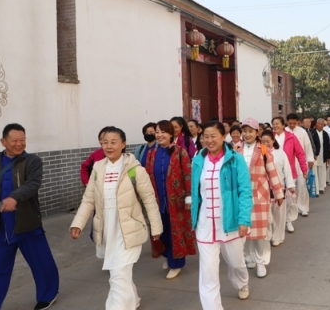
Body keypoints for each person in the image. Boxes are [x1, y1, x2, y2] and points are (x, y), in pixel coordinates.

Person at [70, 127, 163, 310]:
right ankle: (134, 299)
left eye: (113, 142)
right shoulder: (98, 168)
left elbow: (149, 200)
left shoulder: (135, 170)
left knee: (118, 274)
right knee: (120, 272)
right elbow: (89, 199)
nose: (109, 146)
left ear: (123, 144)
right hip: (106, 229)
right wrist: (78, 223)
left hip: (128, 230)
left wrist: (156, 227)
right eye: (105, 142)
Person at [0, 123, 60, 310]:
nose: (19, 144)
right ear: (3, 141)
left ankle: (48, 295)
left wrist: (14, 197)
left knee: (42, 263)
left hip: (27, 221)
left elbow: (33, 185)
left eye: (22, 140)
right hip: (0, 226)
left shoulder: (32, 161)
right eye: (14, 140)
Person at [191, 121, 253, 308]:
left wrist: (244, 220)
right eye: (205, 137)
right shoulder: (198, 159)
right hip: (205, 226)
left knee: (236, 263)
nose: (209, 140)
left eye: (213, 136)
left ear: (223, 137)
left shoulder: (236, 159)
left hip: (230, 223)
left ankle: (242, 282)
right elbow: (195, 191)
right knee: (208, 274)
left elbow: (245, 191)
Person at [145, 120, 196, 279]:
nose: (159, 135)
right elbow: (146, 175)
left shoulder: (180, 152)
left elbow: (188, 175)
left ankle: (176, 264)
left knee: (176, 232)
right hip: (158, 200)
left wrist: (189, 196)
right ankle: (168, 255)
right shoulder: (151, 153)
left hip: (177, 200)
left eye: (163, 132)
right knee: (162, 231)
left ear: (171, 134)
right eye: (157, 132)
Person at [237, 118, 283, 278]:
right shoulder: (236, 149)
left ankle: (262, 261)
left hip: (260, 195)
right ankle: (249, 258)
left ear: (257, 132)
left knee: (261, 232)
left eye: (250, 131)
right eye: (245, 131)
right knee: (244, 230)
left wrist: (278, 193)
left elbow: (272, 172)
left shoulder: (264, 150)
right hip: (241, 197)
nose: (247, 134)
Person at [260, 130, 295, 247]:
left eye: (267, 141)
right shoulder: (258, 153)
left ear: (273, 141)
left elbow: (287, 170)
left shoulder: (280, 153)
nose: (265, 143)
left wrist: (290, 185)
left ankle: (278, 236)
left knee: (278, 214)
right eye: (262, 141)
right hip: (263, 189)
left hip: (279, 188)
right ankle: (268, 234)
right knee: (266, 215)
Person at [274, 116, 307, 229]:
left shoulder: (291, 138)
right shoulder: (270, 138)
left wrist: (304, 169)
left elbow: (300, 154)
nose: (276, 126)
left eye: (278, 123)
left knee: (289, 199)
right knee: (275, 200)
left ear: (283, 125)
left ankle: (289, 220)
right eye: (274, 124)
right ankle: (277, 222)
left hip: (289, 173)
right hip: (274, 173)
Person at [285, 113, 314, 217]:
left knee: (301, 184)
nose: (292, 125)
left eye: (294, 123)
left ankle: (303, 207)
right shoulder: (284, 132)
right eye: (290, 123)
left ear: (297, 122)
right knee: (291, 186)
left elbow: (307, 146)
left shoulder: (302, 132)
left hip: (301, 162)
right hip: (289, 163)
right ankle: (293, 207)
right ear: (287, 122)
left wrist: (310, 159)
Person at [313, 119, 330, 194]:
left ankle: (321, 187)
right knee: (315, 172)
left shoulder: (325, 134)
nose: (320, 126)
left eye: (322, 124)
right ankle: (316, 188)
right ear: (316, 124)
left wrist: (328, 157)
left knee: (322, 172)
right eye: (319, 124)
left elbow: (328, 146)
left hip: (323, 155)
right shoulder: (312, 133)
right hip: (315, 156)